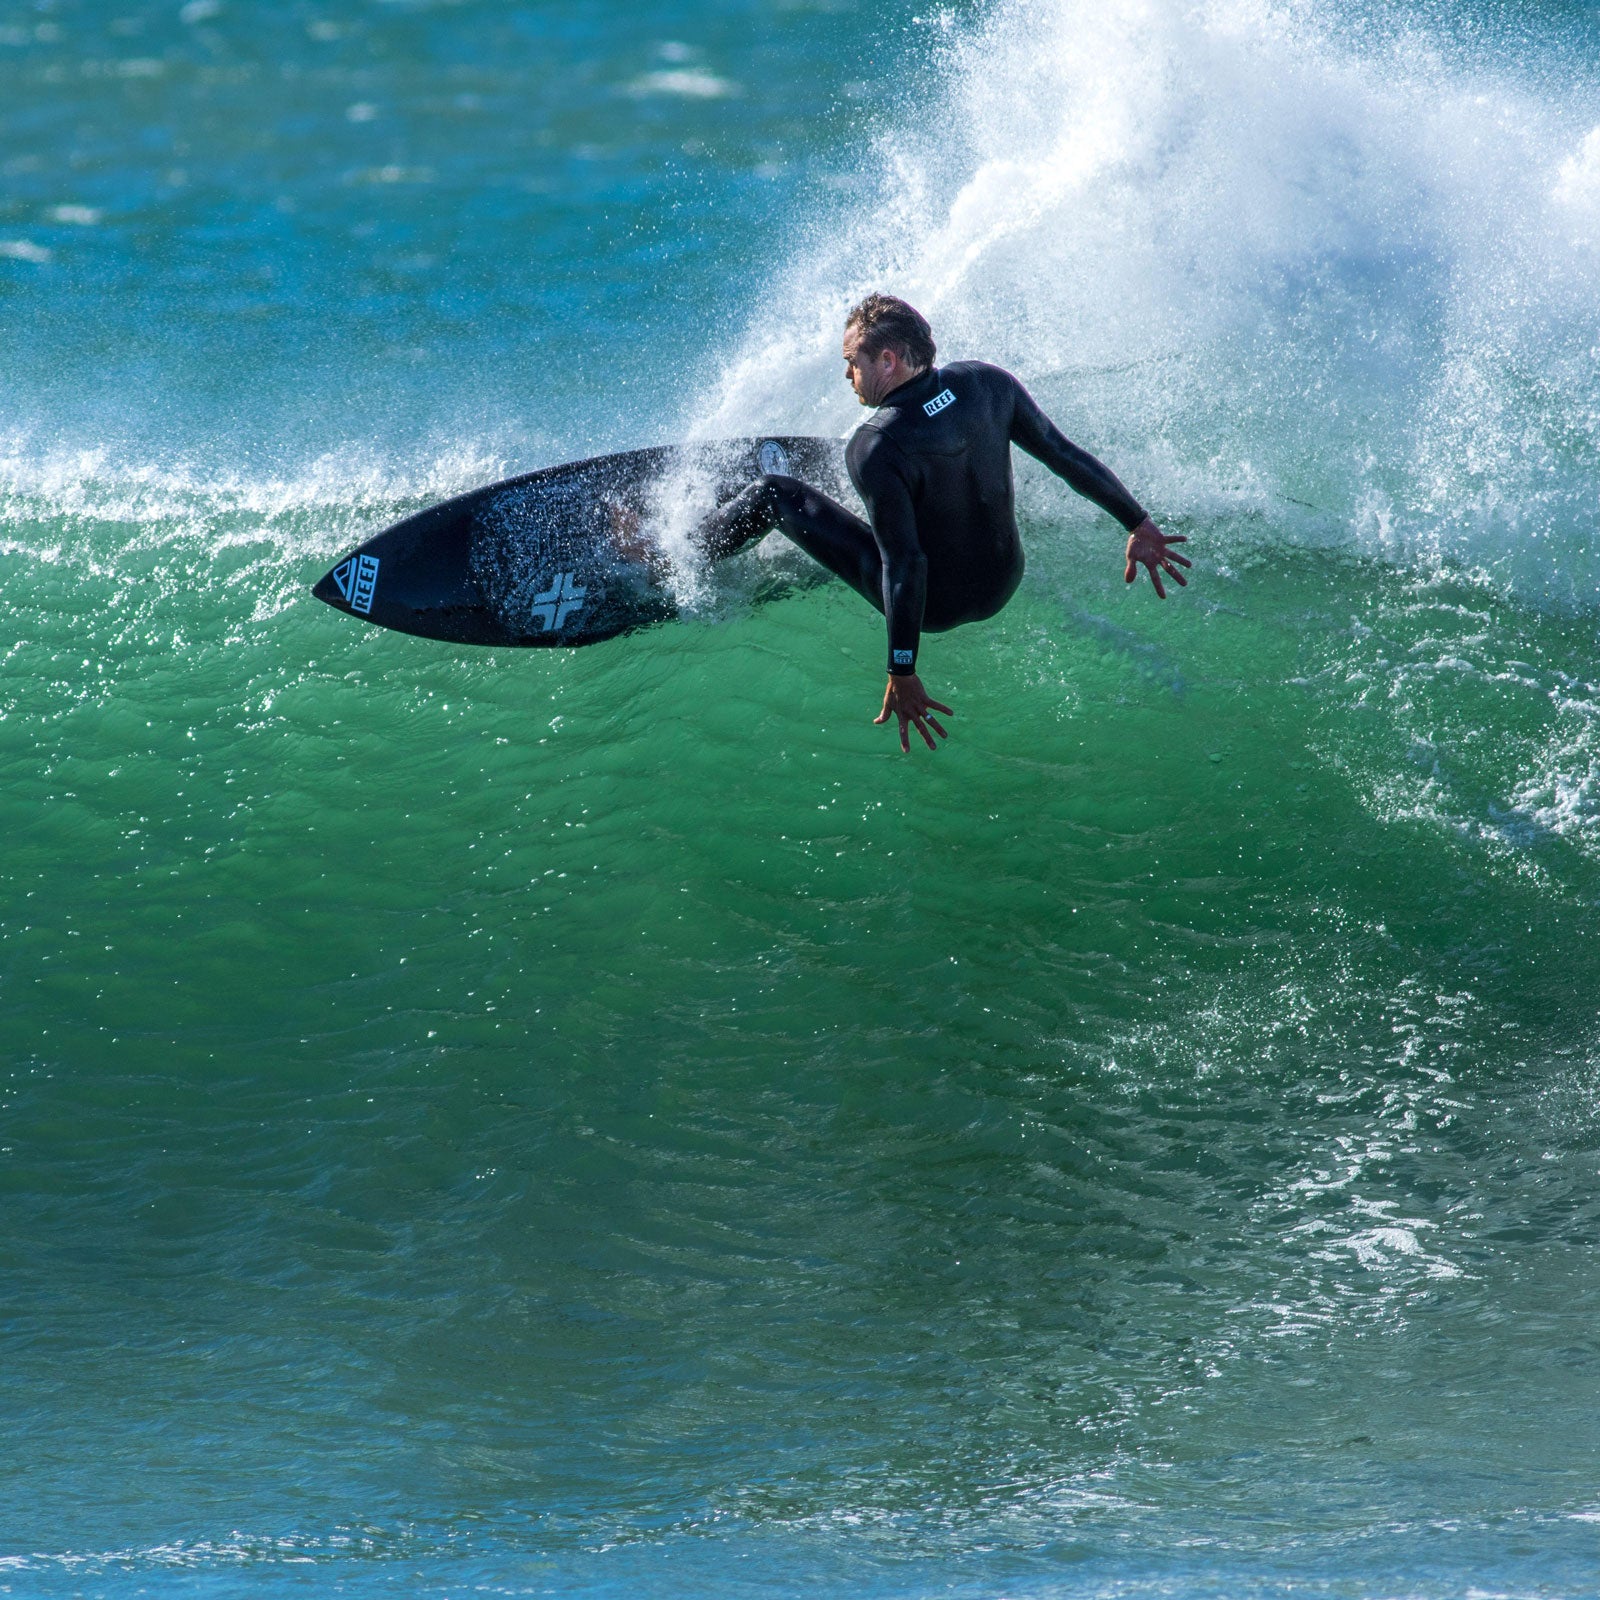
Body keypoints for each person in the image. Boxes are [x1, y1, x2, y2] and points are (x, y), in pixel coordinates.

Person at [698, 293, 1190, 752]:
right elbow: (1063, 456)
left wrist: (902, 670)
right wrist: (1137, 522)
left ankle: (689, 546)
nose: (847, 374)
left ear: (887, 360)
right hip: (1003, 582)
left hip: (933, 607)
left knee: (773, 493)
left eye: (852, 362)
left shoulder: (873, 447)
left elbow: (906, 562)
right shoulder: (988, 384)